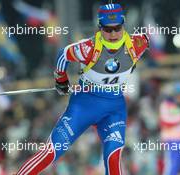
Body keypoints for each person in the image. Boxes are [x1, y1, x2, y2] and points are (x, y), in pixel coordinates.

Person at [15, 3, 149, 175]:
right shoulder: (89, 48)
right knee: (52, 152)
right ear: (100, 28)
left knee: (113, 157)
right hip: (84, 105)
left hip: (113, 108)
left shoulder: (138, 43)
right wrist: (61, 80)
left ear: (123, 25)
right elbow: (63, 54)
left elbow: (147, 42)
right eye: (108, 29)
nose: (114, 34)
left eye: (118, 28)